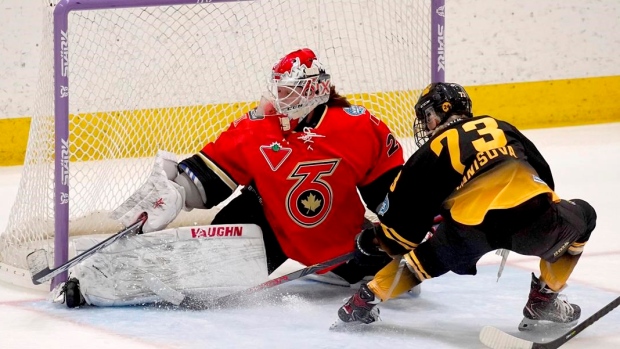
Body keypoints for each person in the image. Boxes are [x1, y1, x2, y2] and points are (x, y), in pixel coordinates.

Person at [59, 48, 404, 307]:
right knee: (204, 274)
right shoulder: (256, 127)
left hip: (337, 246)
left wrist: (400, 233)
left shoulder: (359, 127)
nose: (278, 98)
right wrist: (174, 192)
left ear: (313, 90)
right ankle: (101, 283)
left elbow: (389, 195)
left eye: (288, 91)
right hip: (266, 225)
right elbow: (210, 176)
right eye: (278, 89)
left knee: (389, 272)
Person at [336, 82, 596, 331]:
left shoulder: (432, 149)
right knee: (584, 215)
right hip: (531, 218)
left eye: (426, 116)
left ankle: (363, 301)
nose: (426, 125)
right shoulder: (501, 127)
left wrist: (373, 242)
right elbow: (544, 178)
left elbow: (401, 227)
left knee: (424, 260)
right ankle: (544, 299)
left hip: (469, 231)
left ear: (438, 113)